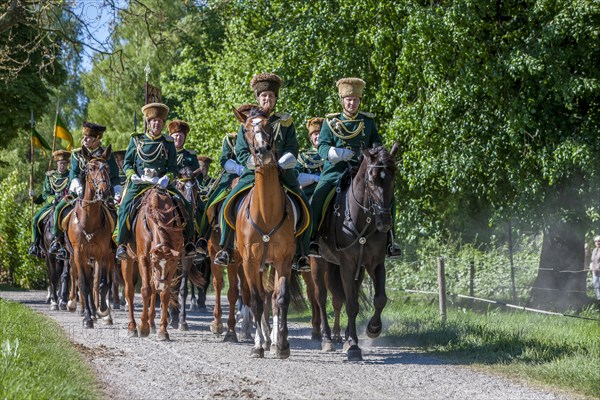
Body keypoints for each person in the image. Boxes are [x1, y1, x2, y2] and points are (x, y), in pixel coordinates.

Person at [214, 74, 312, 271]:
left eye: (271, 96)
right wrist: (253, 162)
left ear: (276, 99)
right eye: (264, 96)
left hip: (282, 173)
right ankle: (225, 248)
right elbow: (241, 152)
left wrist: (283, 163)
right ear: (258, 99)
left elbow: (293, 147)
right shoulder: (248, 124)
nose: (268, 99)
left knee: (304, 205)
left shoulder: (285, 122)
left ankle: (301, 253)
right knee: (227, 204)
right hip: (254, 174)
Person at [308, 77, 400, 258]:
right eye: (349, 100)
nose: (352, 103)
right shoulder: (330, 122)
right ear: (342, 101)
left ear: (359, 101)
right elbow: (323, 146)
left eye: (355, 100)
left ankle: (390, 240)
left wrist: (380, 156)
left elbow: (377, 145)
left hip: (363, 171)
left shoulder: (367, 122)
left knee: (389, 198)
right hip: (335, 171)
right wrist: (337, 153)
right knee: (317, 198)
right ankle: (312, 239)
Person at [115, 103, 196, 260]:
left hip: (161, 184)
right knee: (124, 207)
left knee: (185, 204)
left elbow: (173, 167)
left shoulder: (168, 143)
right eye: (153, 121)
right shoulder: (136, 140)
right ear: (148, 122)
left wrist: (167, 178)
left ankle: (189, 242)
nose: (157, 124)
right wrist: (132, 176)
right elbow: (127, 164)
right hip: (139, 184)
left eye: (160, 121)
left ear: (163, 124)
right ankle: (121, 244)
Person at [49, 122, 121, 258]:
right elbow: (73, 174)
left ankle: (116, 244)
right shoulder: (77, 154)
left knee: (117, 213)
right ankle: (57, 242)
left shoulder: (106, 154)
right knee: (59, 209)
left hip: (103, 194)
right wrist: (77, 185)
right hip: (77, 193)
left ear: (97, 139)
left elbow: (115, 176)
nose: (84, 140)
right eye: (84, 137)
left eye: (88, 138)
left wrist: (117, 191)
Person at [196, 115, 251, 256]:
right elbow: (224, 160)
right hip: (231, 178)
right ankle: (203, 238)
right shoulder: (230, 139)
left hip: (256, 176)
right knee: (210, 205)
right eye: (245, 118)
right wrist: (240, 169)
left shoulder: (261, 134)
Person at [28, 150, 71, 258]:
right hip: (52, 203)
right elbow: (46, 193)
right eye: (60, 163)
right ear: (57, 164)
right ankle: (35, 245)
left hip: (66, 202)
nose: (62, 166)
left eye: (64, 163)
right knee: (35, 220)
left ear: (67, 164)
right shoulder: (50, 176)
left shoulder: (70, 175)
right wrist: (34, 198)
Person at [169, 119, 204, 235]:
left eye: (180, 136)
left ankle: (201, 238)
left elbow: (198, 175)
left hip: (189, 188)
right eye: (175, 136)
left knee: (203, 209)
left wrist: (195, 185)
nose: (178, 138)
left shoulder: (190, 155)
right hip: (170, 187)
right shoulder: (166, 153)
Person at [296, 117, 324, 198]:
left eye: (320, 133)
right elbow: (295, 177)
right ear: (311, 137)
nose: (318, 136)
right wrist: (315, 178)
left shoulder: (332, 153)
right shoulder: (303, 157)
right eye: (315, 134)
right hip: (310, 195)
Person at [590, 235, 600, 301]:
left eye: (599, 241)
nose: (597, 242)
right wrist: (591, 266)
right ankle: (598, 300)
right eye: (595, 241)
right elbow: (592, 260)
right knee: (596, 286)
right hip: (594, 272)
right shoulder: (594, 250)